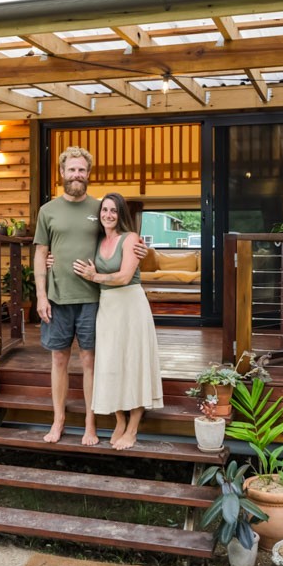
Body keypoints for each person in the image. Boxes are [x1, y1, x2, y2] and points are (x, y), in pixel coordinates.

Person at [33, 146, 147, 445]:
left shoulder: (99, 209)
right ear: (62, 173)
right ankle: (57, 421)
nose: (76, 175)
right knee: (59, 359)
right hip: (57, 298)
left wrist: (143, 250)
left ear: (88, 174)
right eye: (71, 170)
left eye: (82, 170)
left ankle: (90, 423)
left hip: (94, 299)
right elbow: (40, 253)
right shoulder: (48, 211)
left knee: (89, 361)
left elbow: (119, 238)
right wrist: (41, 296)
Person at [72, 192, 163, 450]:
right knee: (111, 363)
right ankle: (119, 420)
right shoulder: (98, 241)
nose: (108, 215)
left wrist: (94, 277)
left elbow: (124, 277)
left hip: (130, 306)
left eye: (113, 211)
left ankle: (132, 428)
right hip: (108, 308)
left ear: (121, 214)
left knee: (134, 363)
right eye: (105, 210)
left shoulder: (131, 239)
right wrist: (50, 259)